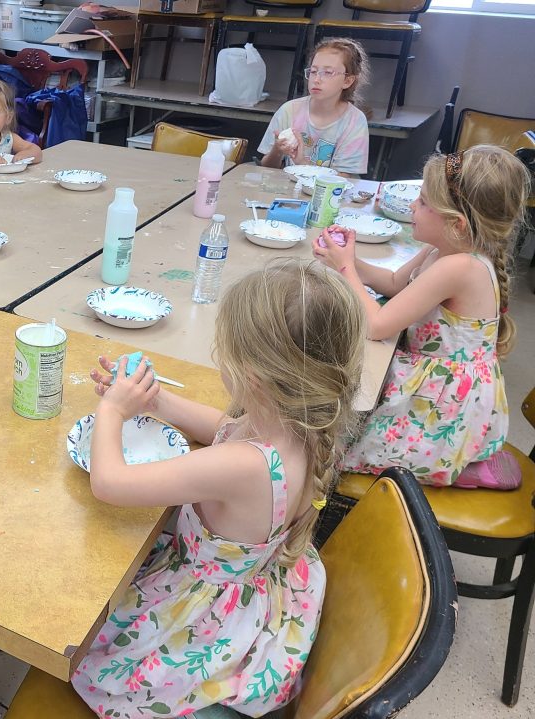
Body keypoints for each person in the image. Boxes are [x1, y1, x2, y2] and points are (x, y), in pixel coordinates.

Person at [71, 260, 365, 717]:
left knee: (83, 648)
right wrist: (155, 400)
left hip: (201, 619)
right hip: (249, 590)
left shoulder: (242, 467)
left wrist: (112, 411)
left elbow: (109, 483)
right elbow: (225, 428)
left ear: (252, 377)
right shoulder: (298, 422)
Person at [314, 145, 531, 489]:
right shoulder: (443, 249)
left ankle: (455, 464)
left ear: (456, 223)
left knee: (338, 453)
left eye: (425, 202)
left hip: (442, 405)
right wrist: (350, 261)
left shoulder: (460, 266)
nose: (413, 206)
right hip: (431, 382)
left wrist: (343, 268)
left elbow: (377, 324)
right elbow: (395, 283)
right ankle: (458, 456)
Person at [258, 38, 371, 177]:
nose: (316, 79)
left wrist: (302, 163)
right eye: (313, 71)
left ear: (347, 81)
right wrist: (277, 149)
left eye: (328, 73)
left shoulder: (355, 121)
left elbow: (343, 179)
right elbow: (267, 168)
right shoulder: (289, 110)